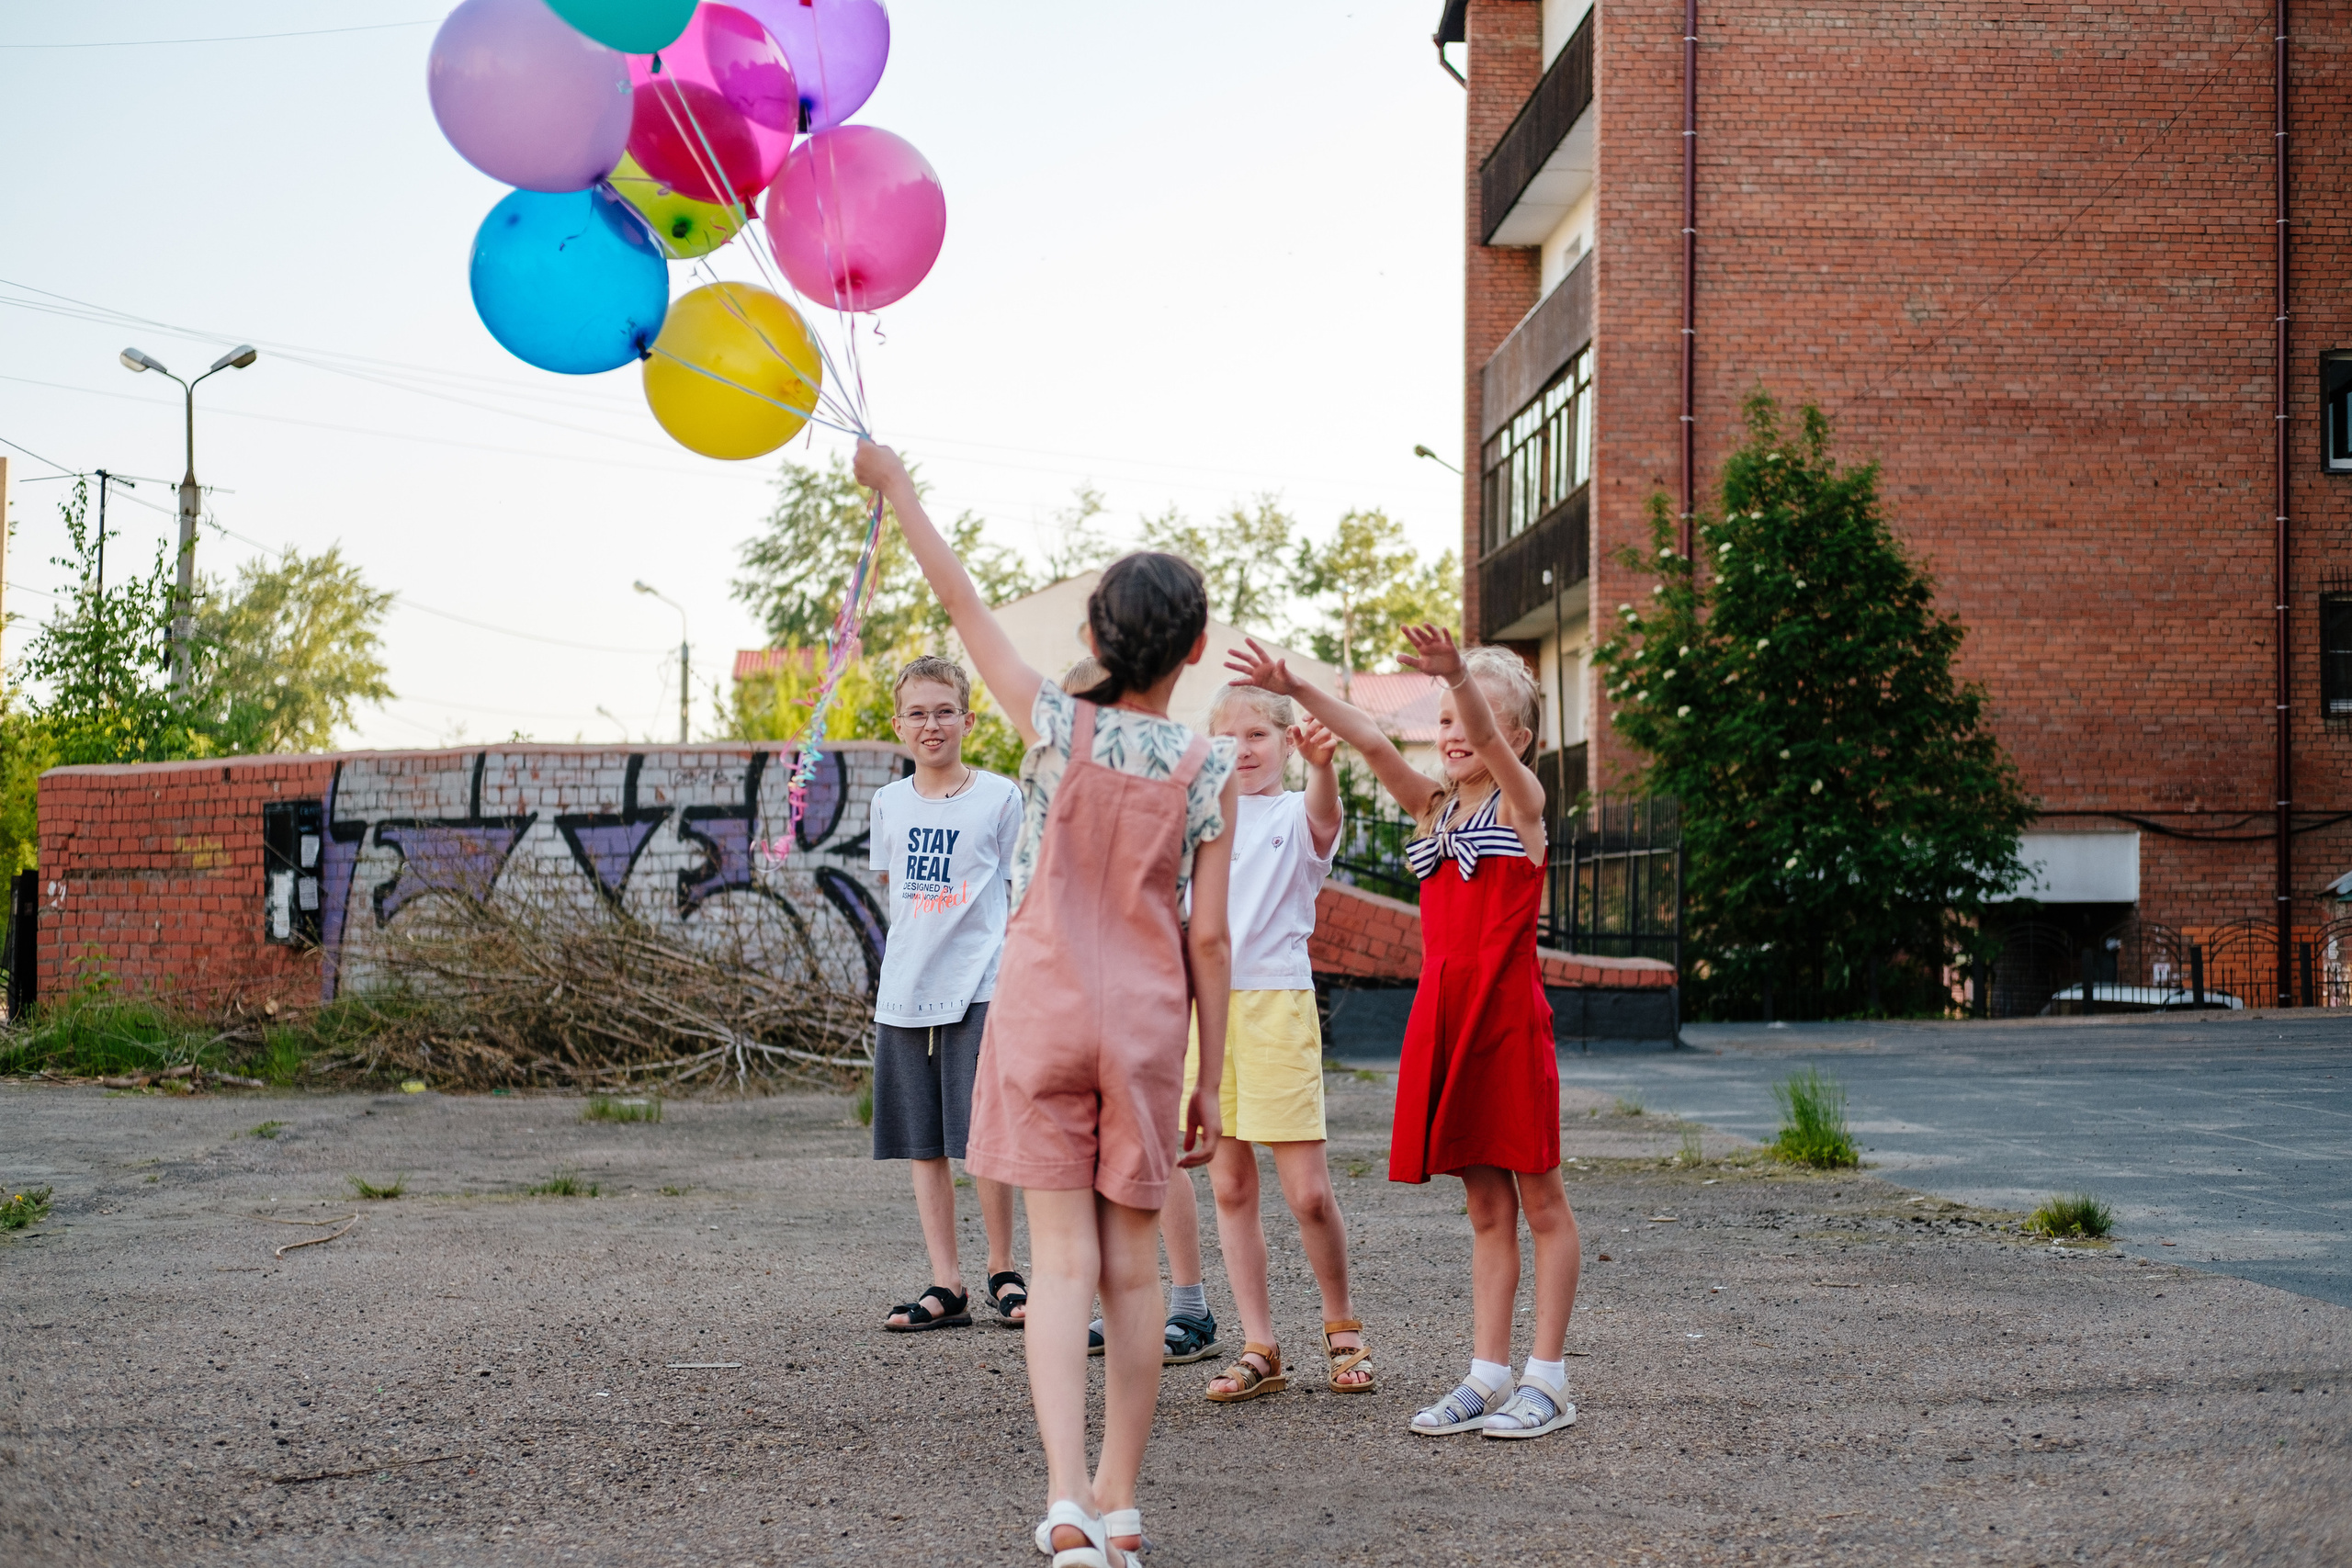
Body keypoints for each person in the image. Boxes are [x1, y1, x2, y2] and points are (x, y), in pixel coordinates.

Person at [855, 439, 1239, 1568]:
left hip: (1039, 1012)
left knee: (1060, 1264)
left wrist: (899, 489)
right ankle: (1121, 1503)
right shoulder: (1207, 766)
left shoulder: (1051, 723)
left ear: (1090, 638)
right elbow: (1208, 936)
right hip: (1144, 1027)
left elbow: (961, 601)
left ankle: (1066, 1501)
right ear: (1198, 650)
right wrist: (1211, 1077)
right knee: (1132, 1271)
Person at [1226, 628, 1581, 1441]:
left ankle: (1549, 1379)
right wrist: (1293, 685)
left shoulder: (1522, 803)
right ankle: (1488, 1374)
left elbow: (1488, 739)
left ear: (1518, 737)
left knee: (1542, 1200)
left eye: (1473, 718)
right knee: (1485, 1205)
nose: (1456, 731)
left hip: (1506, 1022)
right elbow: (1371, 739)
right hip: (1448, 1021)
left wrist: (1456, 674)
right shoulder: (1431, 807)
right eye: (1445, 719)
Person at [1179, 684, 1374, 1404]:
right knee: (1230, 1185)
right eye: (1227, 737)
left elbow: (1324, 813)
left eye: (1257, 734)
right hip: (1206, 1011)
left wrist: (1323, 765)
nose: (1242, 749)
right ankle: (1260, 1345)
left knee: (1309, 1193)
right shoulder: (1197, 819)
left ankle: (1342, 1325)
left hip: (1276, 1007)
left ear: (1288, 741)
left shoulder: (1295, 812)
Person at [869, 654, 1031, 1333]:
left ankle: (1003, 1271)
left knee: (985, 1136)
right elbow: (898, 893)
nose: (931, 724)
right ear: (899, 725)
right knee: (924, 1142)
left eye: (944, 711)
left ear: (967, 719)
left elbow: (1020, 891)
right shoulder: (888, 803)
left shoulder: (1000, 797)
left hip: (982, 985)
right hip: (906, 991)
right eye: (917, 713)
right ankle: (948, 1283)